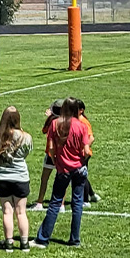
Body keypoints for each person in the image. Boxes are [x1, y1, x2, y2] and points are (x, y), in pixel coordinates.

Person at [32, 97, 91, 249]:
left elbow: (51, 149)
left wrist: (56, 160)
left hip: (63, 168)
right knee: (77, 203)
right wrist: (82, 161)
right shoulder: (81, 126)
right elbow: (86, 151)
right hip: (79, 168)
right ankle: (75, 239)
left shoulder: (55, 124)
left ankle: (43, 238)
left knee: (55, 203)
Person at [0, 106, 33, 252]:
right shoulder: (26, 136)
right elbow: (27, 153)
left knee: (7, 211)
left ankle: (9, 242)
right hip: (20, 177)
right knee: (21, 212)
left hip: (2, 178)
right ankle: (25, 243)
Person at [32, 100, 64, 212]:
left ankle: (40, 202)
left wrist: (48, 118)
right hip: (63, 154)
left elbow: (44, 131)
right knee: (62, 180)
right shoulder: (68, 121)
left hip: (51, 153)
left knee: (44, 178)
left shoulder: (52, 121)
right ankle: (61, 204)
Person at [77, 99, 101, 206]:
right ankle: (92, 195)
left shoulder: (83, 122)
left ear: (81, 110)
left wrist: (83, 150)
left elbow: (91, 138)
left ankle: (85, 200)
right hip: (80, 152)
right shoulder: (76, 120)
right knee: (82, 175)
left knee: (81, 176)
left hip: (84, 153)